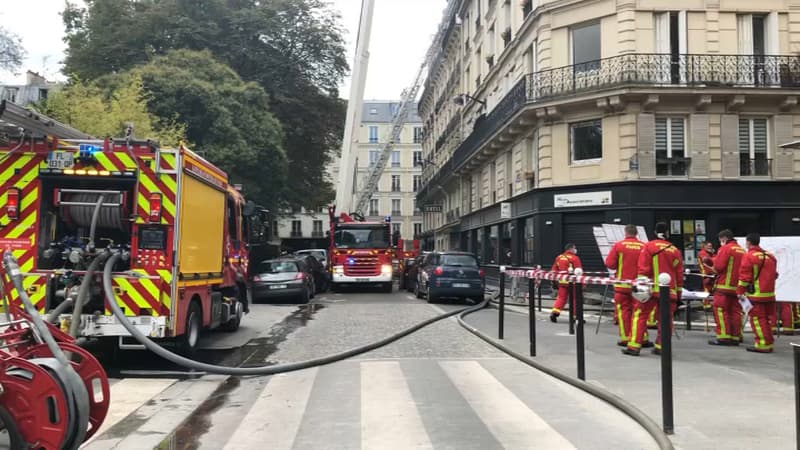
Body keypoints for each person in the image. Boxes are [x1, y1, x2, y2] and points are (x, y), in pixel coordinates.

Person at [623, 222, 684, 356]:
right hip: (669, 291)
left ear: (655, 232)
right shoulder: (675, 250)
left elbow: (643, 269)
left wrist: (640, 288)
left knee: (640, 315)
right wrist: (678, 295)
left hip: (650, 290)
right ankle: (662, 346)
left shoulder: (649, 247)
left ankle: (634, 346)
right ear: (667, 233)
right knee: (666, 319)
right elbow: (679, 275)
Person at [605, 224, 646, 347]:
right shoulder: (644, 246)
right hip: (640, 286)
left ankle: (625, 338)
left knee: (624, 312)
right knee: (640, 313)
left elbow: (610, 264)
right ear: (636, 233)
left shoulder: (619, 245)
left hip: (622, 286)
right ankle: (642, 338)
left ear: (625, 233)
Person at [737, 233, 779, 353]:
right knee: (766, 320)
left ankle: (762, 345)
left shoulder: (749, 256)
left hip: (756, 295)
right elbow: (775, 275)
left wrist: (740, 291)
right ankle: (769, 343)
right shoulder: (770, 256)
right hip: (769, 295)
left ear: (748, 242)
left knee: (757, 320)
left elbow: (745, 277)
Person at [708, 229, 746, 346]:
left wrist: (710, 265)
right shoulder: (742, 250)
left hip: (724, 286)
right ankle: (735, 336)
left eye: (720, 241)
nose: (720, 243)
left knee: (721, 311)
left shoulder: (725, 249)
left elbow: (719, 267)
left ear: (724, 239)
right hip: (737, 288)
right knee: (736, 312)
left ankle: (724, 337)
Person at [550, 243, 582, 323]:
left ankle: (555, 313)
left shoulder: (559, 257)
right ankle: (576, 317)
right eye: (574, 248)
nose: (575, 250)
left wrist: (554, 280)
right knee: (575, 299)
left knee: (561, 298)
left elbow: (554, 269)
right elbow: (579, 271)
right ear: (571, 249)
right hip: (573, 282)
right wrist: (583, 283)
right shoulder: (575, 258)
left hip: (562, 281)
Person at [698, 240, 716, 309]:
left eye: (711, 246)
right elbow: (707, 261)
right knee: (707, 289)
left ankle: (709, 304)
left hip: (712, 273)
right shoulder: (702, 253)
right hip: (706, 274)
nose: (710, 247)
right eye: (708, 246)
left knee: (711, 289)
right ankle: (706, 305)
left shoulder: (711, 253)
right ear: (704, 246)